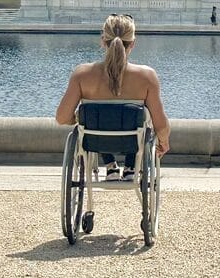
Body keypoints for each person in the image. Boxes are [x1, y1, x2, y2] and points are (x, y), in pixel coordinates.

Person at [55, 14, 170, 182]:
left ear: (103, 41)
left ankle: (110, 165)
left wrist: (79, 118)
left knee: (97, 116)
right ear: (133, 43)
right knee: (144, 117)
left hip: (95, 141)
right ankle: (131, 166)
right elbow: (161, 125)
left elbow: (61, 117)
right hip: (133, 141)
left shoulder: (82, 75)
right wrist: (164, 142)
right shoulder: (147, 77)